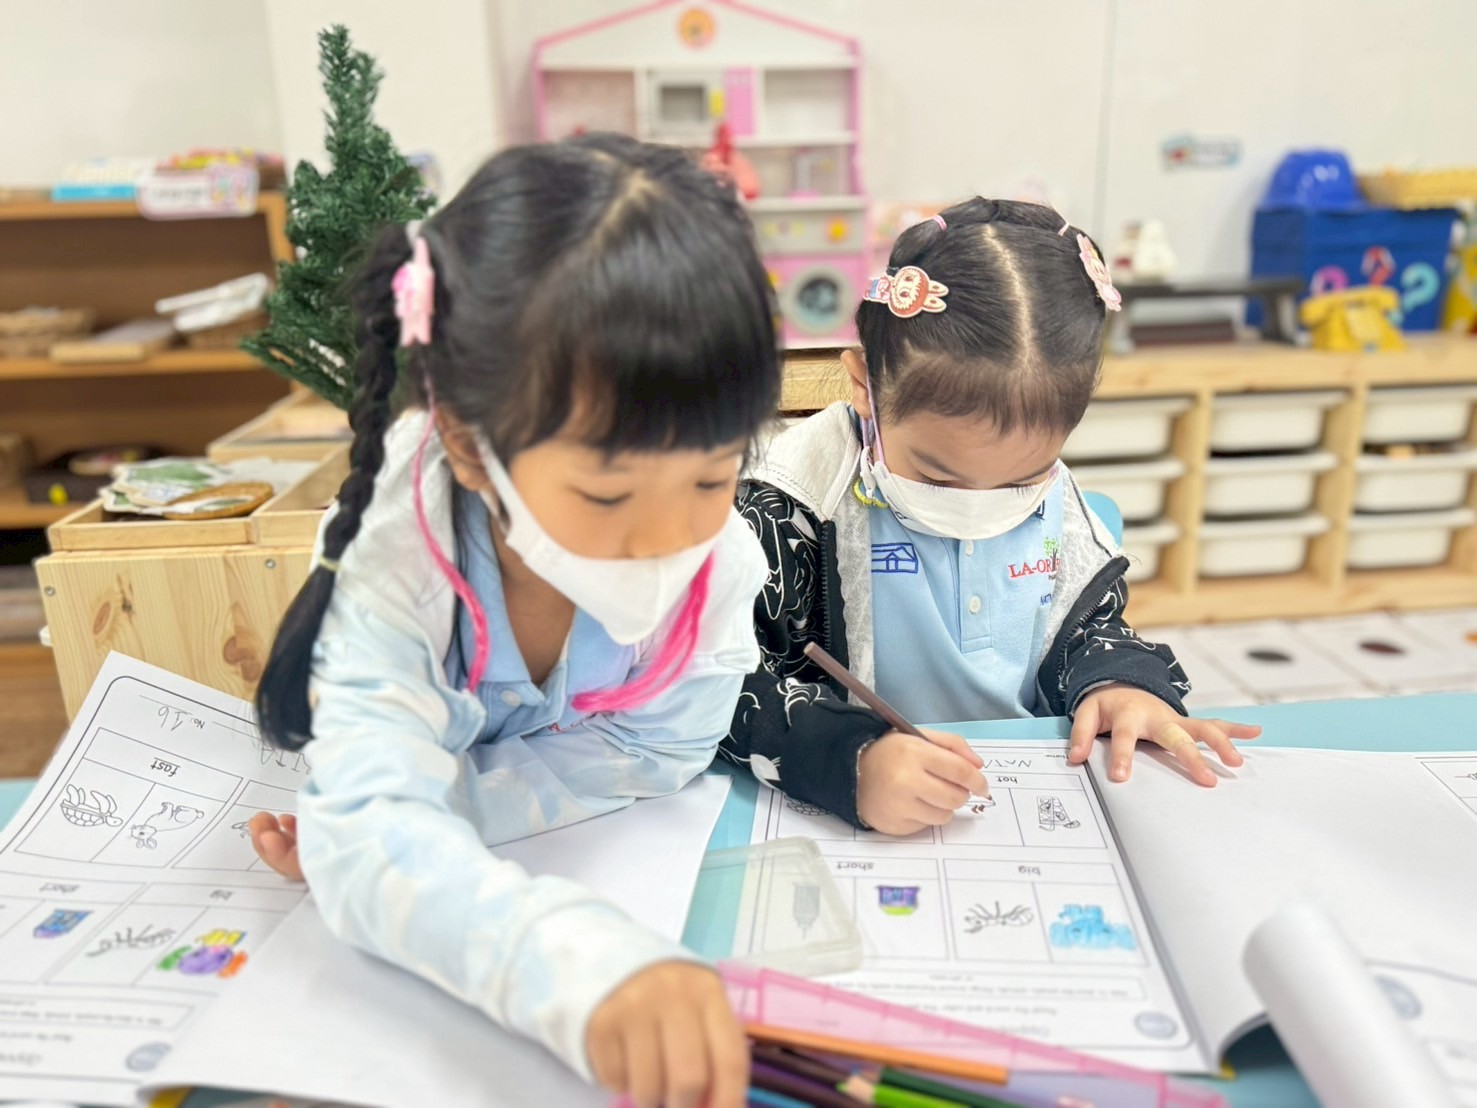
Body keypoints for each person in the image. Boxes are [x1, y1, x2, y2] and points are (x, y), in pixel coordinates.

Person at [248, 134, 780, 1108]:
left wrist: (403, 830)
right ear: (466, 442)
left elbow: (660, 751)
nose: (668, 540)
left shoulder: (722, 564)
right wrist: (565, 961)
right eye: (607, 496)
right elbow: (372, 831)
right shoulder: (394, 557)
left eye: (712, 478)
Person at [724, 198, 1258, 835]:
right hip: (842, 816)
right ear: (865, 384)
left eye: (1021, 480)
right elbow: (716, 681)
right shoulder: (790, 506)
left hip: (1024, 793)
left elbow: (1085, 629)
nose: (976, 504)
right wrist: (850, 759)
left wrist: (1119, 686)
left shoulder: (1056, 498)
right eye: (937, 477)